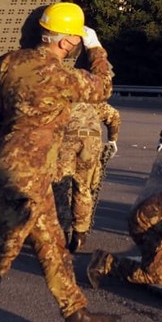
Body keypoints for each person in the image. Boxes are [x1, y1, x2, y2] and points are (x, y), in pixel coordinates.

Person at [0, 2, 121, 322]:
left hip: (13, 164)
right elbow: (103, 87)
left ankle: (76, 315)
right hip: (30, 172)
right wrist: (97, 49)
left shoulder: (9, 62)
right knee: (2, 249)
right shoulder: (62, 76)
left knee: (51, 241)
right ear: (67, 42)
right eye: (75, 40)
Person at [54, 100, 121, 254]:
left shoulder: (62, 99)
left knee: (60, 186)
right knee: (83, 187)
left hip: (67, 140)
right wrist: (112, 139)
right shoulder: (94, 102)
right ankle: (79, 234)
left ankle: (62, 232)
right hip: (92, 141)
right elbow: (114, 116)